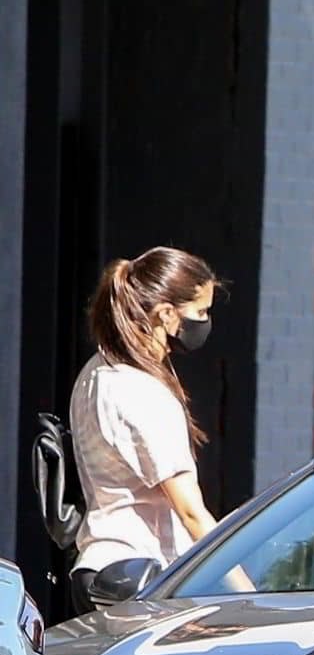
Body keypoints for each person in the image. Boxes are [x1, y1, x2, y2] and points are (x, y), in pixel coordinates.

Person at [67, 246, 224, 615]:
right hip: (141, 572)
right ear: (167, 315)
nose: (205, 322)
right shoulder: (142, 390)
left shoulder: (95, 373)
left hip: (100, 564)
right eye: (200, 312)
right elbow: (190, 511)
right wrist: (249, 593)